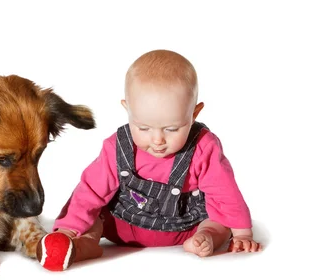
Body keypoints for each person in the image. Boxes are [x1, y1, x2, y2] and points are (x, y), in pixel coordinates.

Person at [42, 49, 261, 268]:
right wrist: (68, 228)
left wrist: (242, 233)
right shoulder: (117, 147)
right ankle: (81, 245)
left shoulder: (203, 148)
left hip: (185, 227)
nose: (158, 140)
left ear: (194, 114)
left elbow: (224, 192)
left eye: (172, 128)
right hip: (122, 225)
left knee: (217, 222)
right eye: (143, 127)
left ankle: (205, 239)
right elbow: (90, 190)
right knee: (95, 215)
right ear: (128, 109)